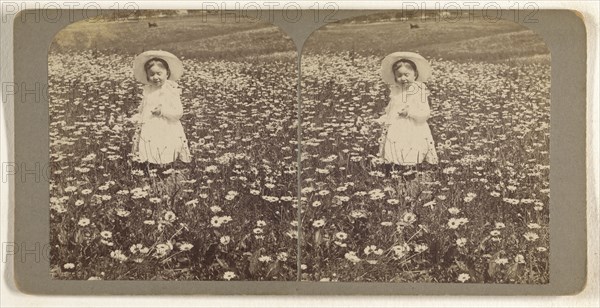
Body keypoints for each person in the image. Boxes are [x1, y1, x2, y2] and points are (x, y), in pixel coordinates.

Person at [374, 52, 438, 178]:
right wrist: (383, 119)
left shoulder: (418, 91)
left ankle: (413, 176)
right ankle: (397, 174)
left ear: (415, 75)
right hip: (396, 128)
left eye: (406, 75)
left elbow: (425, 113)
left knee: (412, 152)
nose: (403, 78)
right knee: (396, 152)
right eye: (399, 76)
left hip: (413, 128)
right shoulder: (396, 91)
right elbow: (391, 110)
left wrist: (409, 113)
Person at [130, 50, 192, 176]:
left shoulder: (170, 90)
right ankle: (151, 171)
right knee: (149, 149)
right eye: (152, 74)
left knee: (164, 149)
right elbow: (143, 108)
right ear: (147, 76)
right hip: (149, 127)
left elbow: (178, 113)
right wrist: (138, 116)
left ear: (167, 73)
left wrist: (162, 112)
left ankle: (166, 172)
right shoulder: (148, 90)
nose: (156, 77)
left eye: (159, 73)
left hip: (165, 127)